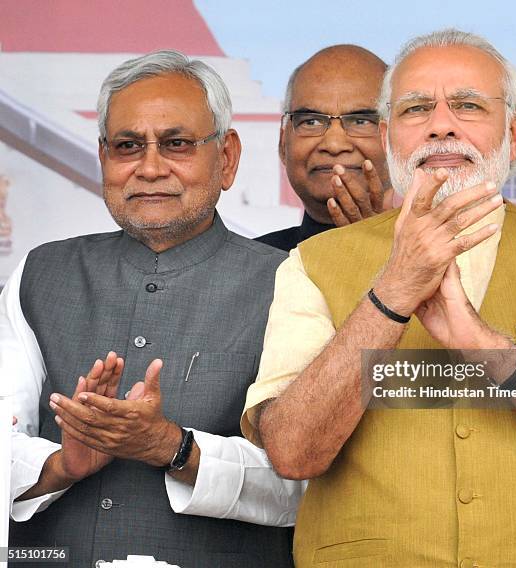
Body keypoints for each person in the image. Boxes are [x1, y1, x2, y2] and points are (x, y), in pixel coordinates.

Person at [242, 29, 516, 567]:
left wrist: (485, 346)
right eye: (417, 109)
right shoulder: (314, 263)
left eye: (467, 105)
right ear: (391, 135)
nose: (441, 125)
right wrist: (392, 293)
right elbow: (292, 452)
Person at [2, 50, 301, 567]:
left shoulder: (291, 284)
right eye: (127, 146)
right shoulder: (41, 273)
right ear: (103, 159)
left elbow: (305, 481)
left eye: (177, 144)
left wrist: (172, 447)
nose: (150, 167)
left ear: (226, 158)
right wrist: (61, 464)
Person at [257, 45, 393, 251]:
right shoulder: (245, 268)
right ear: (283, 143)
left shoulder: (447, 257)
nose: (334, 145)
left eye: (361, 121)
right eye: (311, 122)